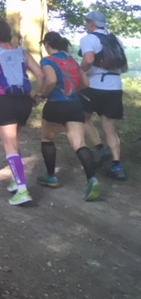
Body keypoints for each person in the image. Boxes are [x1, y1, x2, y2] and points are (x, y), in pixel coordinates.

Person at [0, 20, 45, 206]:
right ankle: (17, 179)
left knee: (9, 145)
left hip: (4, 101)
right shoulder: (22, 52)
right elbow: (40, 75)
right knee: (14, 141)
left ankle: (22, 190)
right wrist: (39, 95)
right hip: (24, 102)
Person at [36, 31, 101, 201]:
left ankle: (51, 176)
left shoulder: (47, 60)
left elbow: (50, 80)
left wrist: (42, 95)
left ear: (48, 44)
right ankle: (92, 179)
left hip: (56, 105)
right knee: (79, 144)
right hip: (75, 105)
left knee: (47, 139)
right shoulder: (72, 60)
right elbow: (86, 83)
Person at [79, 11, 128, 181]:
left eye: (87, 23)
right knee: (109, 127)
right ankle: (117, 165)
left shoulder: (89, 39)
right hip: (115, 87)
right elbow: (125, 67)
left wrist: (80, 71)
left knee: (82, 117)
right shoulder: (116, 40)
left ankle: (100, 148)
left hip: (94, 86)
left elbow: (89, 59)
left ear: (91, 23)